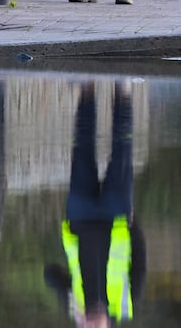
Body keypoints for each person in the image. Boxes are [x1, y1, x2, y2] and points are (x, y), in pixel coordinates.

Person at [44, 80, 145, 327]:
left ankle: (87, 90)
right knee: (122, 148)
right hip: (115, 216)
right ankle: (122, 91)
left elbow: (50, 274)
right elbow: (140, 264)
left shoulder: (76, 305)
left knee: (82, 146)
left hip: (80, 217)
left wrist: (71, 300)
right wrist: (134, 227)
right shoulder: (125, 304)